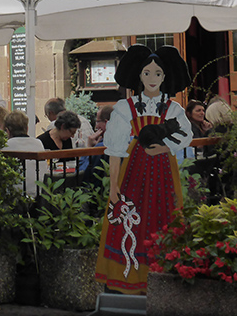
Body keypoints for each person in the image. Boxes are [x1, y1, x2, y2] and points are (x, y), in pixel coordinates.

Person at [95, 45, 192, 295]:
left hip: (163, 172)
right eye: (147, 73)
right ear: (139, 76)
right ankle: (129, 278)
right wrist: (114, 186)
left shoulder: (173, 109)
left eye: (157, 73)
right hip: (133, 172)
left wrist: (163, 148)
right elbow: (115, 150)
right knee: (130, 218)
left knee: (164, 218)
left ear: (164, 77)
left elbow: (186, 134)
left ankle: (162, 274)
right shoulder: (124, 108)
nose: (152, 78)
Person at [3, 110, 47, 196]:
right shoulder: (38, 143)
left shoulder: (6, 146)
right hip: (40, 195)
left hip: (15, 196)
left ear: (7, 131)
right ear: (27, 128)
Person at [79, 105, 113, 184]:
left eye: (98, 121)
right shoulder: (130, 141)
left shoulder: (101, 148)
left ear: (106, 123)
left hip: (100, 193)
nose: (96, 126)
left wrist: (90, 149)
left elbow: (82, 172)